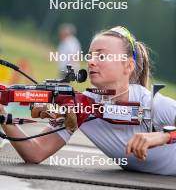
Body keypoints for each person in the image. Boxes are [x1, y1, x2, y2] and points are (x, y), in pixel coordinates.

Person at [0, 26, 176, 175]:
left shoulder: (150, 103)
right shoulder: (81, 105)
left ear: (128, 66)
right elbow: (36, 152)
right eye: (90, 55)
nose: (91, 61)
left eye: (101, 56)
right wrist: (3, 116)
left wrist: (163, 135)